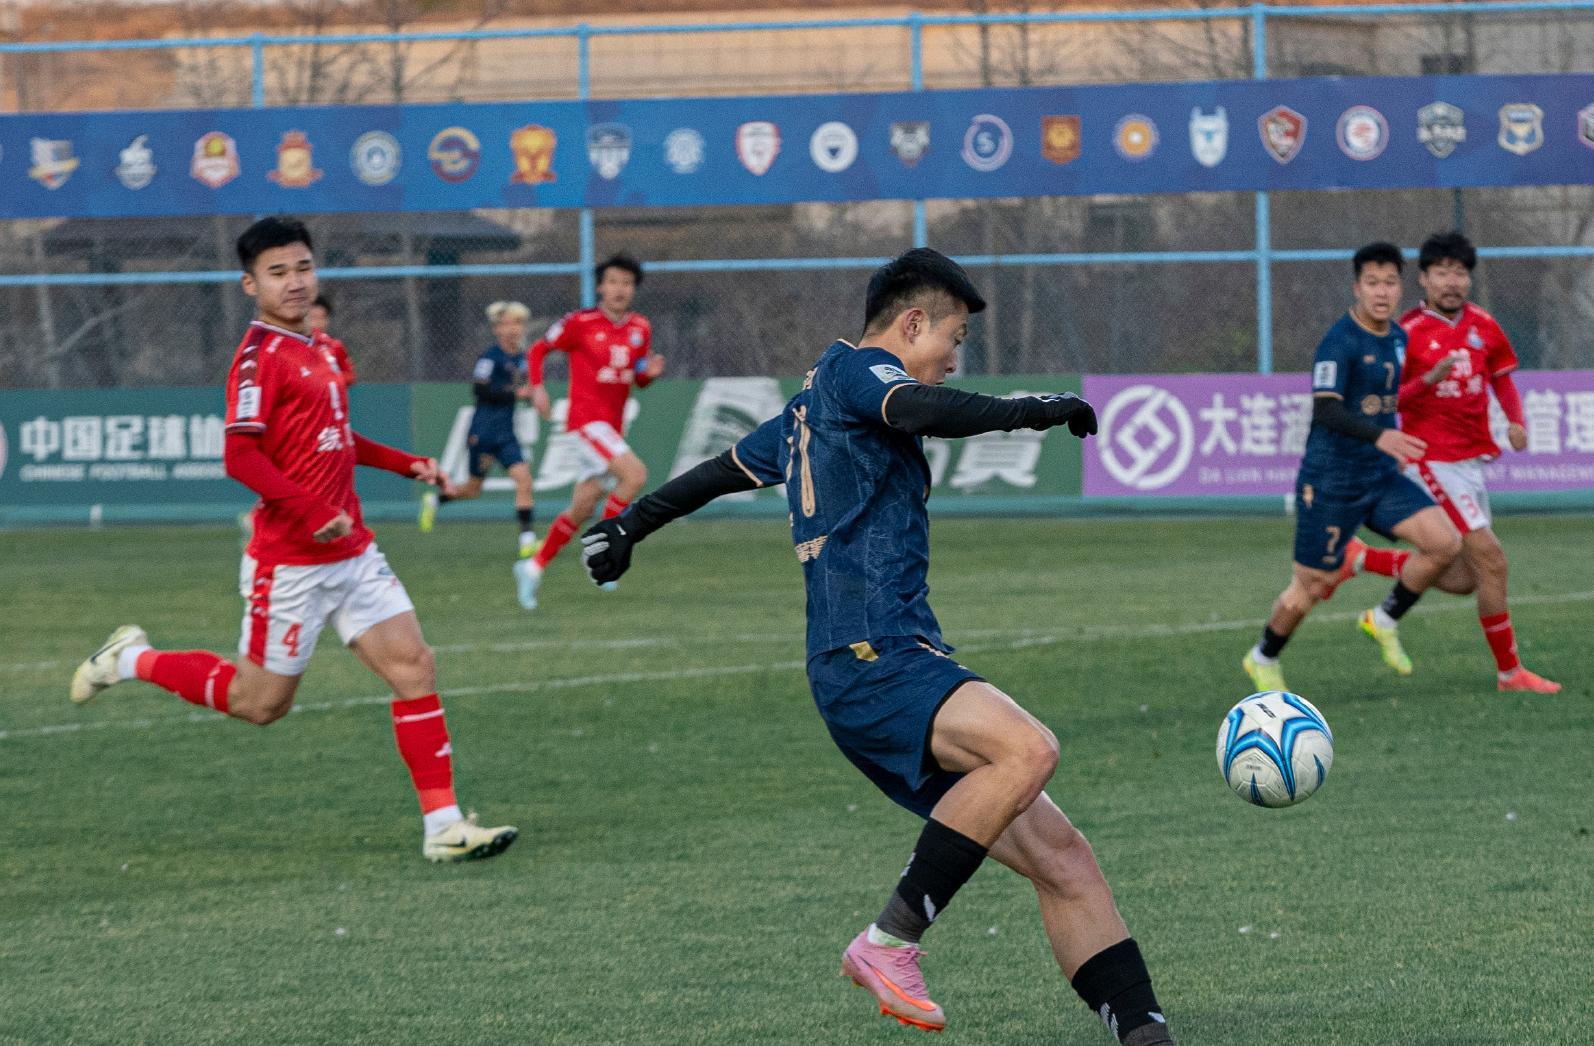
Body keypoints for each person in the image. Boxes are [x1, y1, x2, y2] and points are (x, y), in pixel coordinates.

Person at [580, 249, 1175, 1044]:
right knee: (1028, 749)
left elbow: (720, 471)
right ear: (912, 323)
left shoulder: (811, 409)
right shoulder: (856, 372)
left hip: (881, 660)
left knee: (1064, 858)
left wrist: (630, 524)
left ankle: (1145, 1034)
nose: (954, 358)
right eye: (954, 339)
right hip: (872, 655)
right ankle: (889, 941)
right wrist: (1029, 409)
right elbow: (915, 405)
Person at [68, 216, 517, 864]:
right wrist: (308, 509)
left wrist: (404, 463)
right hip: (290, 562)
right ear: (250, 285)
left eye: (303, 267)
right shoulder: (258, 359)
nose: (295, 282)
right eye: (277, 273)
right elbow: (240, 457)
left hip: (351, 552)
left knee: (414, 666)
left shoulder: (322, 348)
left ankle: (443, 826)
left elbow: (334, 436)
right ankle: (131, 659)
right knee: (260, 704)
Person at [1333, 232, 1561, 694]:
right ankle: (1510, 673)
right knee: (1494, 561)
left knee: (1463, 578)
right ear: (1424, 278)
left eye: (1459, 272)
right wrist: (1427, 381)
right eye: (1442, 272)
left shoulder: (1484, 325)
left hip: (1470, 462)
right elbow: (1384, 399)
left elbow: (1502, 379)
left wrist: (1515, 422)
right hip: (1431, 461)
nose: (1452, 281)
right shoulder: (1406, 333)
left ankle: (1361, 559)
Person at [1243, 242, 1462, 694]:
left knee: (1444, 543)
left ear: (1400, 288)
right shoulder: (1339, 342)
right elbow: (1327, 409)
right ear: (1357, 288)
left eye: (1390, 282)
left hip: (1379, 476)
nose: (1382, 292)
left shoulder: (1397, 338)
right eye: (1372, 283)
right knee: (1312, 586)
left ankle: (1383, 619)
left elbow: (1384, 400)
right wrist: (1380, 437)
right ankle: (1263, 656)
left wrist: (1427, 381)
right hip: (1331, 481)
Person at [513, 253, 664, 609]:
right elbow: (538, 349)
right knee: (635, 475)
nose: (619, 289)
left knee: (582, 507)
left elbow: (637, 378)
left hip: (611, 428)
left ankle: (532, 567)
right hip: (586, 423)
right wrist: (537, 387)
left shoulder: (640, 328)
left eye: (626, 283)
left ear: (633, 289)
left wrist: (648, 375)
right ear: (600, 287)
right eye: (612, 282)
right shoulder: (579, 323)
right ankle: (606, 552)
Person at [418, 301, 540, 558]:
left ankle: (527, 540)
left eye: (518, 323)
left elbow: (526, 388)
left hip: (506, 435)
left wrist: (533, 396)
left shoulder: (523, 358)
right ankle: (435, 500)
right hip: (483, 433)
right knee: (473, 489)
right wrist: (515, 394)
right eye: (507, 323)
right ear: (497, 329)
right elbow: (480, 389)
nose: (513, 329)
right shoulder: (489, 357)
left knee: (524, 480)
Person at [308, 294, 355, 388]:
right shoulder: (292, 345)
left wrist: (330, 380)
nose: (318, 323)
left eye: (322, 318)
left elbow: (349, 376)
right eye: (313, 318)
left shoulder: (334, 346)